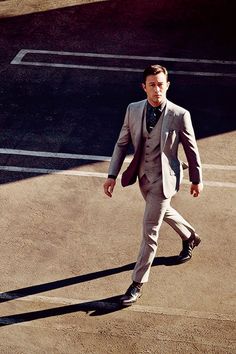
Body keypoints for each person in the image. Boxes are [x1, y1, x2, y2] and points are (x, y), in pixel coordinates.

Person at [103, 64, 203, 306]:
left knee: (150, 230)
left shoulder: (180, 115)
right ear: (144, 87)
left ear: (167, 85)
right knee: (160, 212)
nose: (157, 89)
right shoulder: (133, 109)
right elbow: (121, 143)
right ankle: (190, 236)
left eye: (161, 84)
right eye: (152, 85)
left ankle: (137, 283)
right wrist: (112, 175)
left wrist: (197, 179)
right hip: (143, 178)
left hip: (165, 180)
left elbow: (191, 149)